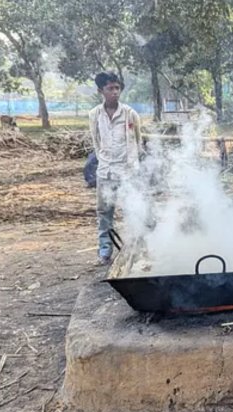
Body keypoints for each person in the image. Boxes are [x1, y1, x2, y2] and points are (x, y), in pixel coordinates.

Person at [88, 71, 143, 266]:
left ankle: (136, 248)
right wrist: (104, 161)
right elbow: (97, 142)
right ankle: (105, 250)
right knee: (104, 212)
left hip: (128, 171)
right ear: (101, 90)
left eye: (117, 88)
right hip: (105, 172)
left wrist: (133, 165)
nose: (115, 92)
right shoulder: (94, 115)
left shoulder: (130, 114)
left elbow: (137, 141)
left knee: (133, 210)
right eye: (110, 88)